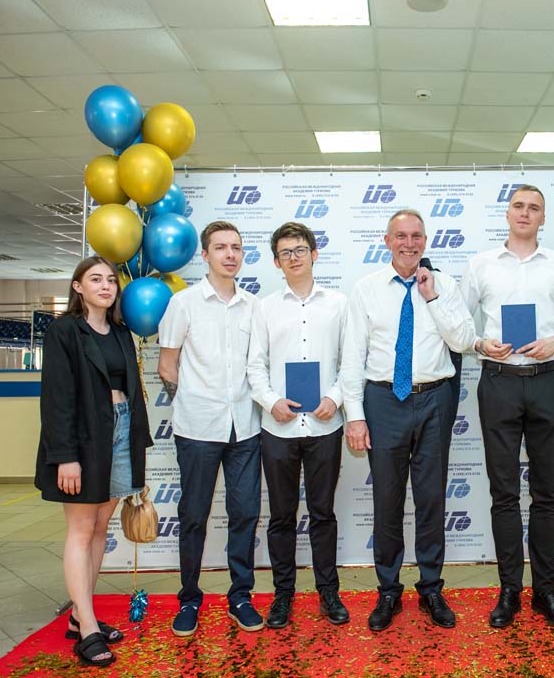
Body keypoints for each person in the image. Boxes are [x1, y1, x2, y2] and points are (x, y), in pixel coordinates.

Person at [340, 208, 477, 631]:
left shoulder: (445, 285)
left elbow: (463, 341)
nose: (409, 243)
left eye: (416, 236)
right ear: (387, 241)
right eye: (401, 236)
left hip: (434, 398)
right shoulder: (365, 289)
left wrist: (431, 296)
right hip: (383, 401)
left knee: (432, 498)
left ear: (425, 241)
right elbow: (352, 357)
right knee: (387, 500)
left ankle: (431, 588)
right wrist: (355, 416)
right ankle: (388, 591)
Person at [460, 185, 554, 628]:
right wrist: (480, 343)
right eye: (518, 206)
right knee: (504, 493)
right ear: (507, 213)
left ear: (543, 218)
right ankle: (509, 590)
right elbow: (458, 321)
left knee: (547, 493)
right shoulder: (481, 264)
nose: (525, 213)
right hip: (498, 381)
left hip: (547, 380)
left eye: (534, 208)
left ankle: (545, 591)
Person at [35, 256, 151, 667]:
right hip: (83, 440)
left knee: (101, 529)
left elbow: (131, 389)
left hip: (120, 432)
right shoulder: (64, 331)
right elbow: (57, 397)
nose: (105, 286)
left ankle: (79, 615)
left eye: (111, 281)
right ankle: (87, 630)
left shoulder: (120, 332)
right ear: (78, 287)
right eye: (95, 279)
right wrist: (65, 457)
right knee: (81, 531)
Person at [158, 221, 264, 636]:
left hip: (246, 428)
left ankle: (241, 596)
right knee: (194, 516)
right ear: (205, 255)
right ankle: (189, 598)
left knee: (245, 513)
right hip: (198, 429)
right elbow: (167, 365)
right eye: (220, 247)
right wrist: (192, 400)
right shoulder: (183, 304)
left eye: (236, 247)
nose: (230, 254)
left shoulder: (253, 306)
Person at [246, 222, 350, 628]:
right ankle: (283, 595)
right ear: (276, 262)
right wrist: (271, 402)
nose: (294, 257)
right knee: (281, 517)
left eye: (300, 250)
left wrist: (335, 398)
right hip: (280, 429)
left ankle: (328, 592)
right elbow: (255, 365)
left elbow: (350, 361)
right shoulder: (264, 308)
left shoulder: (338, 304)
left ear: (314, 254)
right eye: (285, 252)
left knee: (323, 514)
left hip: (325, 426)